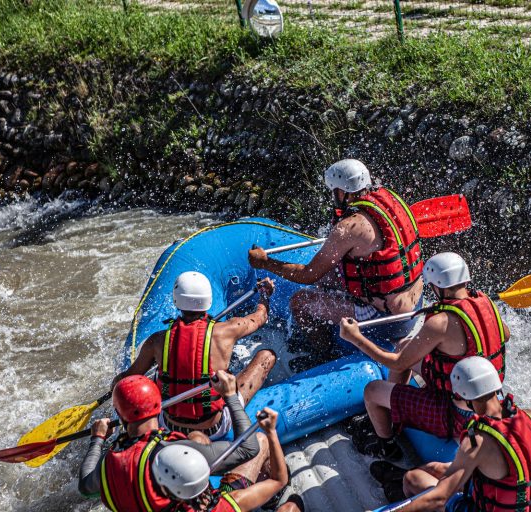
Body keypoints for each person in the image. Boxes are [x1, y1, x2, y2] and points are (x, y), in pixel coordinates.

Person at [247, 159, 425, 359]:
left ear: (342, 192)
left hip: (389, 321)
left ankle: (321, 355)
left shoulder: (349, 227)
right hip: (414, 304)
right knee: (327, 279)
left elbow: (307, 276)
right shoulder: (390, 200)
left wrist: (265, 263)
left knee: (300, 301)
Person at [339, 252, 510, 458]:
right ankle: (394, 409)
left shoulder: (440, 323)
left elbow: (397, 363)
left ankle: (386, 445)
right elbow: (505, 335)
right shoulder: (486, 303)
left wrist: (355, 337)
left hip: (455, 414)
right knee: (404, 345)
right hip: (482, 397)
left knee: (372, 391)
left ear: (437, 285)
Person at [396, 357, 531, 512]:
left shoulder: (477, 441)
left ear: (465, 398)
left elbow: (439, 498)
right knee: (435, 468)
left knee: (413, 479)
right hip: (527, 504)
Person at [113, 271, 277, 440]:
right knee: (266, 356)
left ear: (177, 300)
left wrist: (115, 384)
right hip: (216, 427)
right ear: (208, 299)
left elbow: (125, 381)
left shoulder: (158, 341)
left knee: (156, 375)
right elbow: (260, 317)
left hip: (168, 425)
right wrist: (265, 295)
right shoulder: (229, 330)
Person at [78, 372, 266, 511]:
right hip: (202, 506)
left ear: (120, 415)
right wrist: (231, 396)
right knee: (261, 439)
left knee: (196, 436)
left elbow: (85, 486)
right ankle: (272, 501)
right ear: (159, 404)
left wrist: (97, 439)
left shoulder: (108, 463)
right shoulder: (174, 452)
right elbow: (248, 448)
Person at [149, 408, 296, 512]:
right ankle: (271, 499)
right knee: (290, 507)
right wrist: (271, 431)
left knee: (197, 437)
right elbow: (279, 480)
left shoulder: (156, 499)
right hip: (222, 504)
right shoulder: (227, 505)